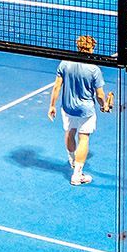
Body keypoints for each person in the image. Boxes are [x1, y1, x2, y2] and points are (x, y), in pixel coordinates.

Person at [48, 34, 114, 186]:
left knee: (70, 132)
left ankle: (72, 159)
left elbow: (57, 86)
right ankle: (77, 175)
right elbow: (99, 94)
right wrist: (103, 105)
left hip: (67, 107)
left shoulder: (65, 63)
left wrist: (52, 105)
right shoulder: (94, 69)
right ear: (91, 49)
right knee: (83, 138)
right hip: (85, 110)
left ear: (78, 47)